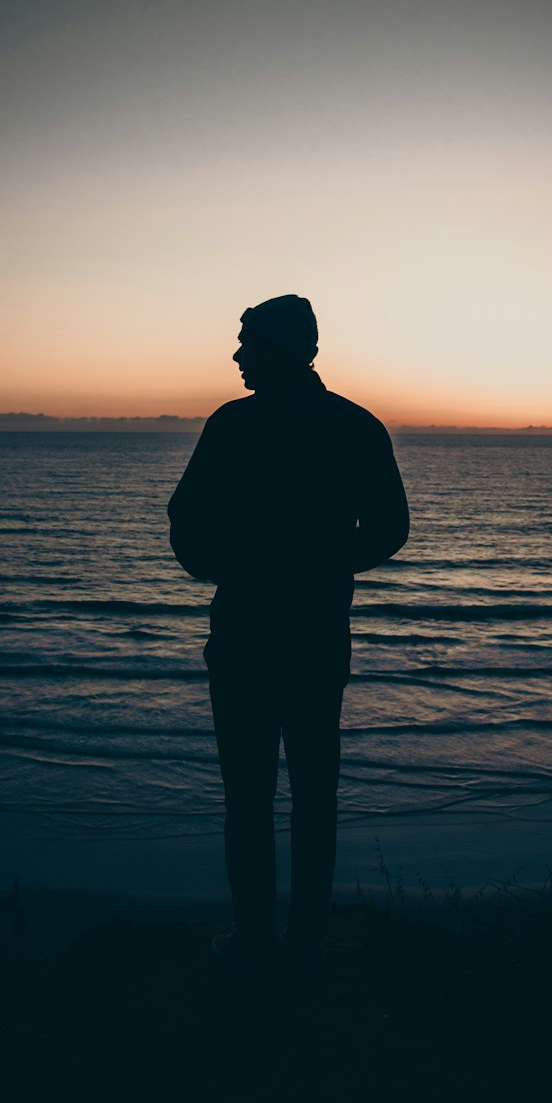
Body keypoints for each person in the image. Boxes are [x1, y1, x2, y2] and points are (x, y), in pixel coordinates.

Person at [168, 294, 409, 975]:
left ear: (286, 347)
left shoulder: (234, 425)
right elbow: (389, 530)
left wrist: (233, 568)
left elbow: (185, 521)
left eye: (250, 343)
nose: (239, 355)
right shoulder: (354, 426)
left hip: (247, 633)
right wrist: (326, 562)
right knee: (312, 796)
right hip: (315, 635)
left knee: (250, 798)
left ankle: (256, 941)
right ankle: (302, 943)